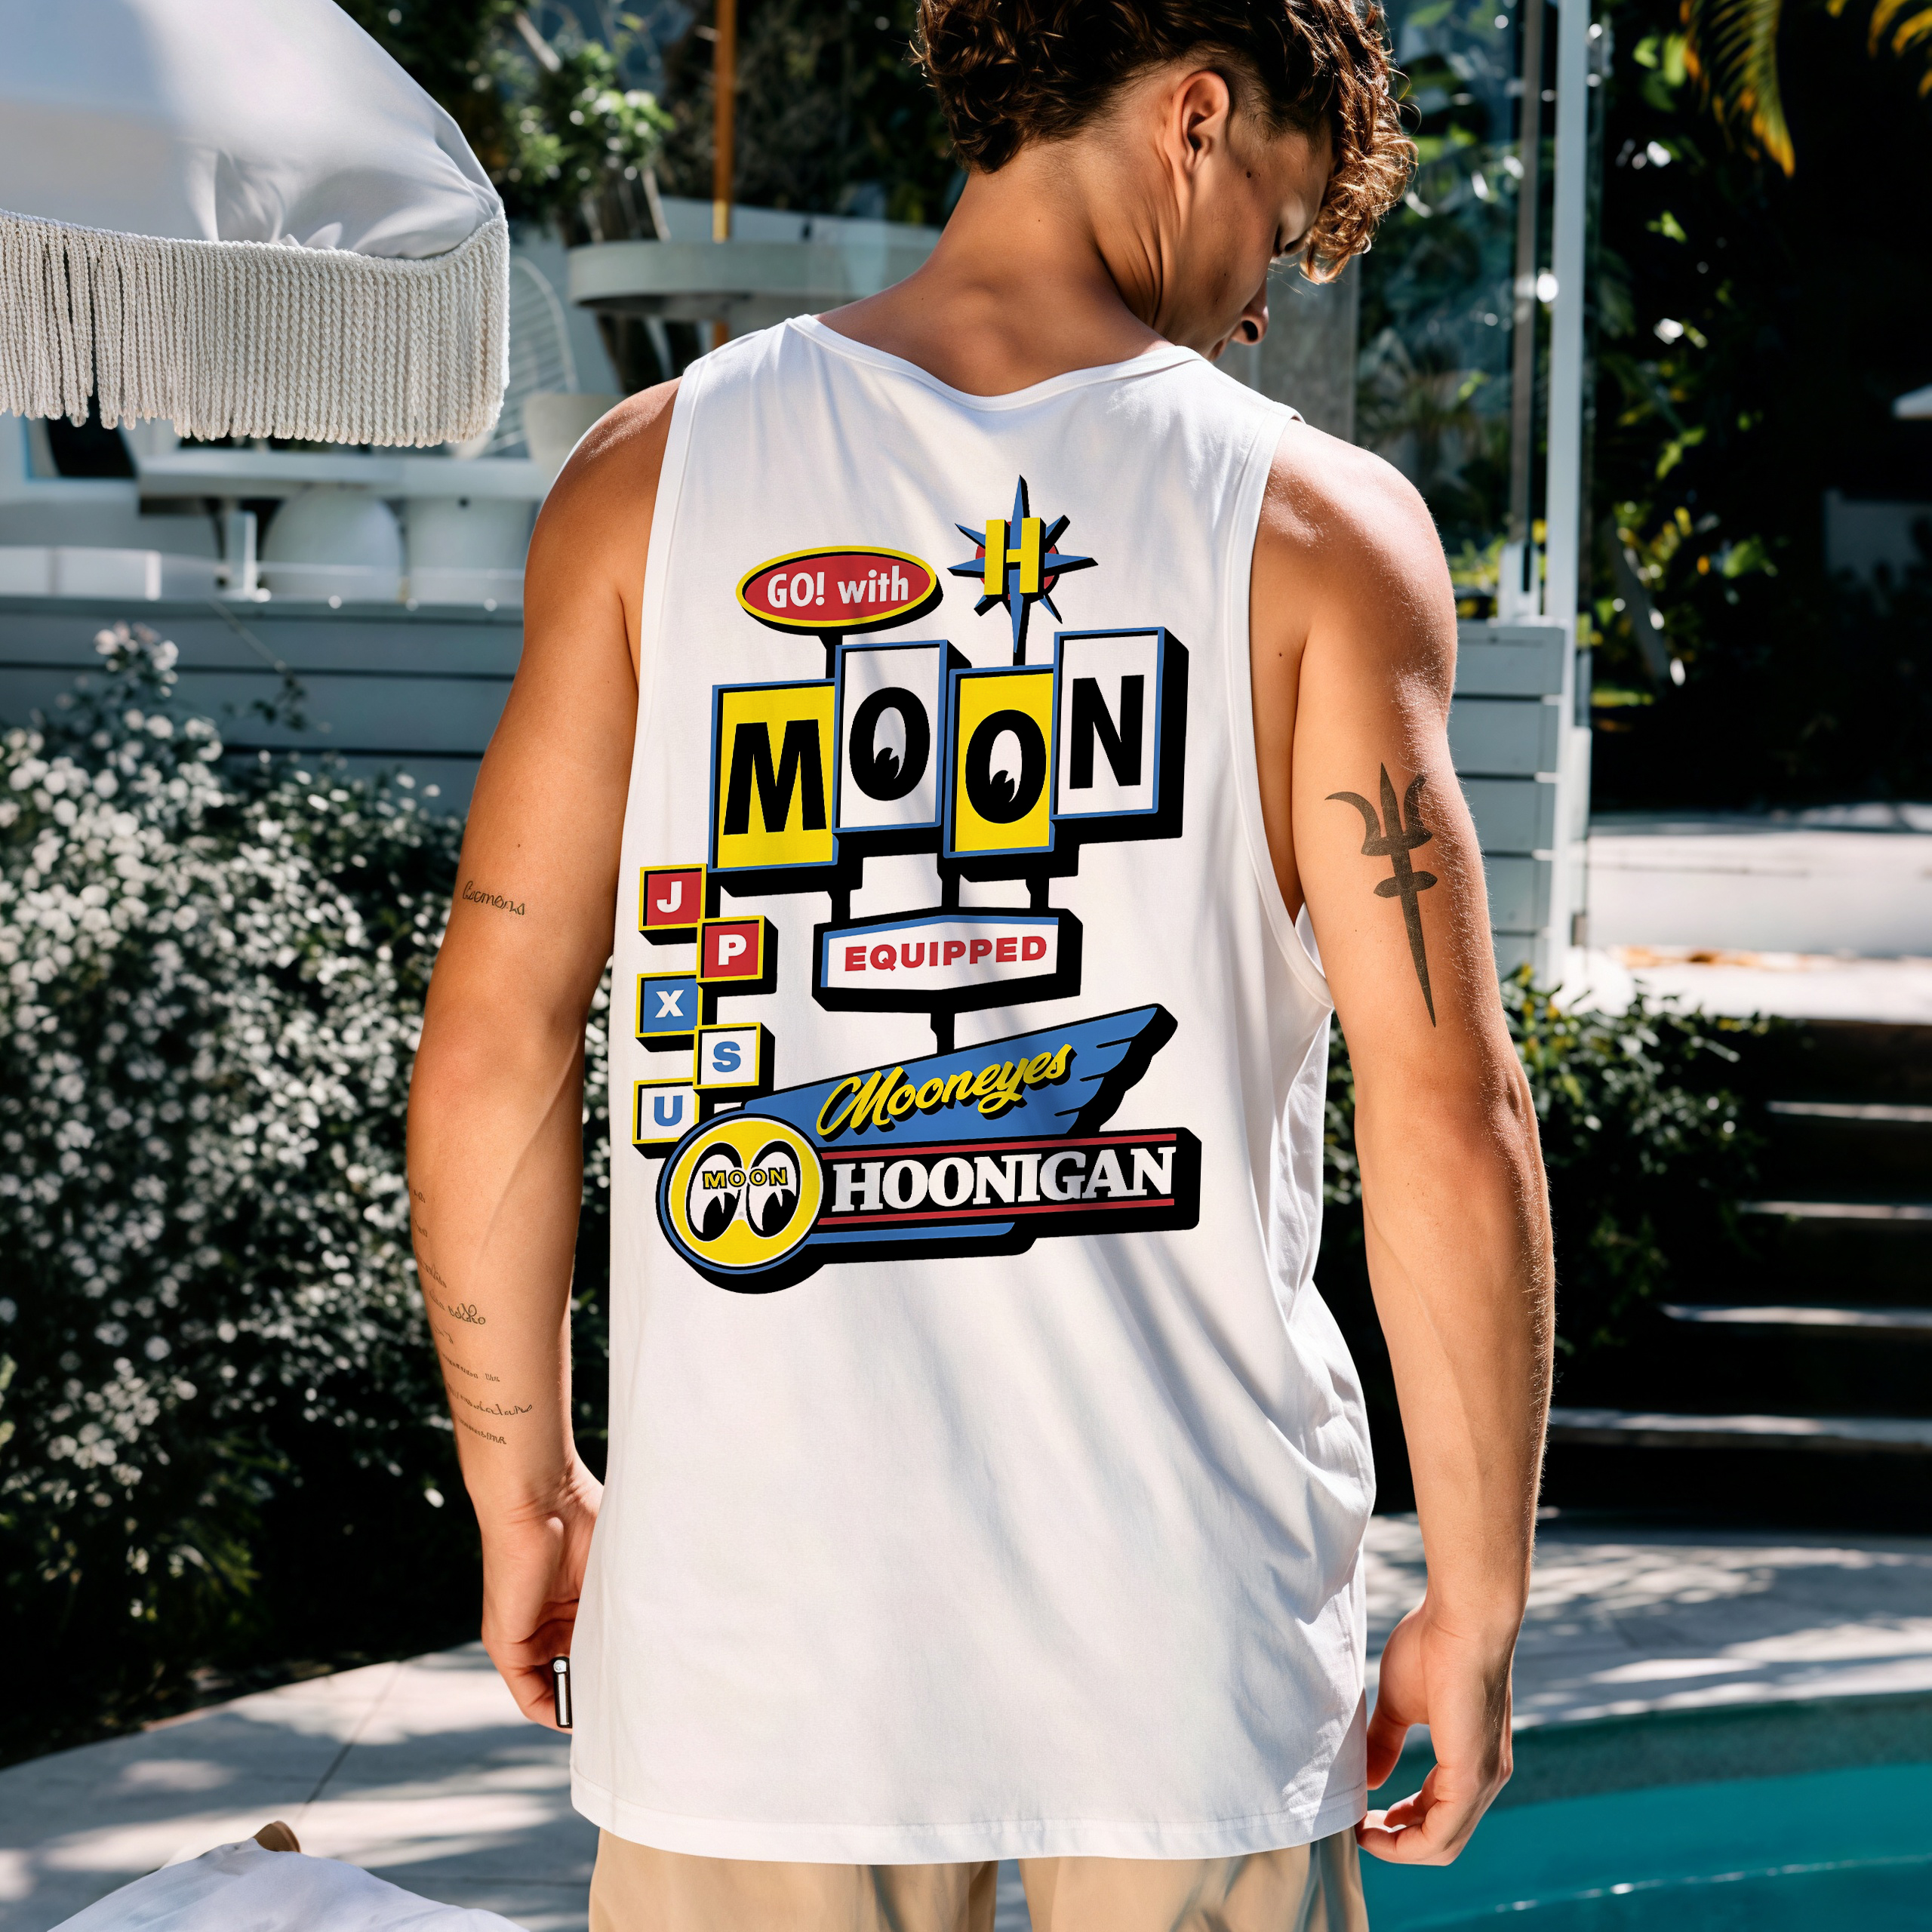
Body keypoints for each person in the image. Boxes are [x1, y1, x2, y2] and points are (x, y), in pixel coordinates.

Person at [406, 0, 1555, 1924]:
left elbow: (496, 1040)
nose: (1251, 306)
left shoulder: (650, 477)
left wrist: (521, 1485)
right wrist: (1479, 1595)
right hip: (1182, 1637)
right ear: (1195, 118)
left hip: (754, 1646)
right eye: (1272, 228)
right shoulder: (1313, 530)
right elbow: (1446, 1108)